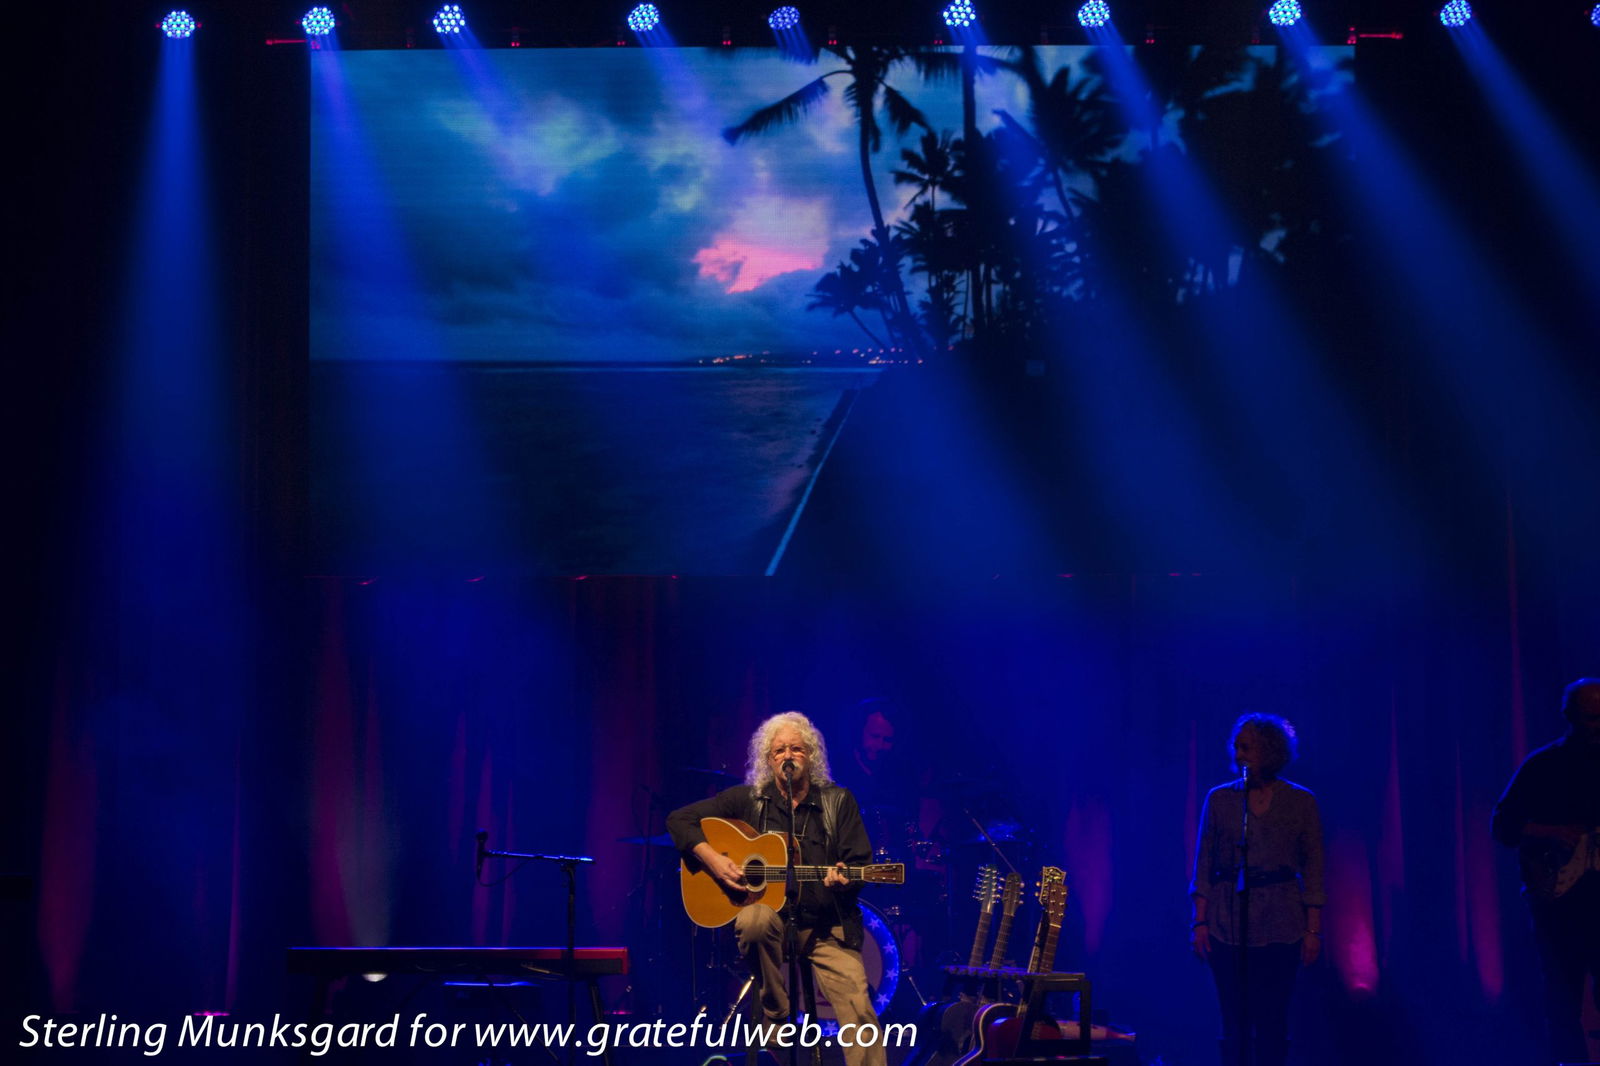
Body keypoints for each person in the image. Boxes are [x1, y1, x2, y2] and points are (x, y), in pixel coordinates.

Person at [667, 711, 886, 1066]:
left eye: (796, 749)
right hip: (773, 926)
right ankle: (776, 1011)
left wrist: (844, 878)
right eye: (779, 750)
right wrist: (714, 860)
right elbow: (679, 819)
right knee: (753, 919)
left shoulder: (838, 802)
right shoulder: (747, 801)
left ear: (811, 756)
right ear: (768, 760)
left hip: (826, 927)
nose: (788, 756)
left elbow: (859, 864)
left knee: (860, 1012)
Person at [1189, 713, 1325, 1066]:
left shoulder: (1301, 801)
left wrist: (1312, 929)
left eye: (1247, 747)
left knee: (1273, 1021)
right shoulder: (1220, 799)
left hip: (1282, 922)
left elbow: (1314, 867)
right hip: (1227, 921)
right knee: (1233, 1021)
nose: (1239, 754)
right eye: (1236, 747)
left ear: (1269, 750)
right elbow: (1203, 863)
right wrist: (1199, 921)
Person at [1492, 678, 1600, 1065]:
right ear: (1569, 717)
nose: (1599, 726)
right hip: (1560, 902)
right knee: (1562, 995)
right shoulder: (1544, 765)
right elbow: (1503, 826)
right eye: (1591, 717)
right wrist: (1553, 832)